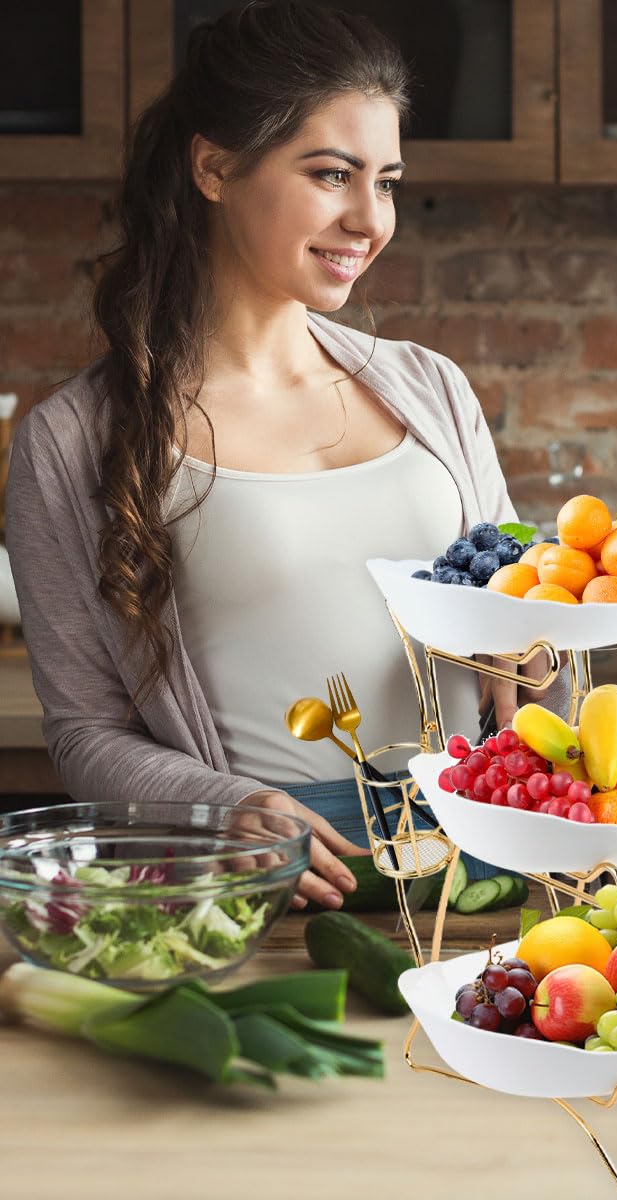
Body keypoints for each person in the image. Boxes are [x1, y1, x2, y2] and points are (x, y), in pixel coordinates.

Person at [5, 2, 540, 910]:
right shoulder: (73, 441)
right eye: (332, 174)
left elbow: (523, 633)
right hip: (270, 884)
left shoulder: (433, 389)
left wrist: (539, 665)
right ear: (214, 167)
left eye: (387, 182)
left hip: (481, 868)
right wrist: (228, 809)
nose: (369, 219)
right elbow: (86, 732)